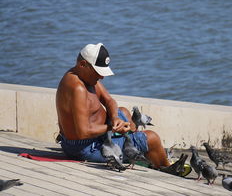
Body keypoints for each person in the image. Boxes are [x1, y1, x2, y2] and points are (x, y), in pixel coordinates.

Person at [55, 43, 189, 175]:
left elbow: (109, 100)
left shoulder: (85, 77)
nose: (101, 77)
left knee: (123, 112)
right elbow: (83, 132)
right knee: (151, 138)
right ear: (83, 64)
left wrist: (114, 118)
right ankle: (166, 167)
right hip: (86, 147)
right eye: (98, 72)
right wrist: (112, 128)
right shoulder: (77, 88)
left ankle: (136, 151)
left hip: (97, 135)